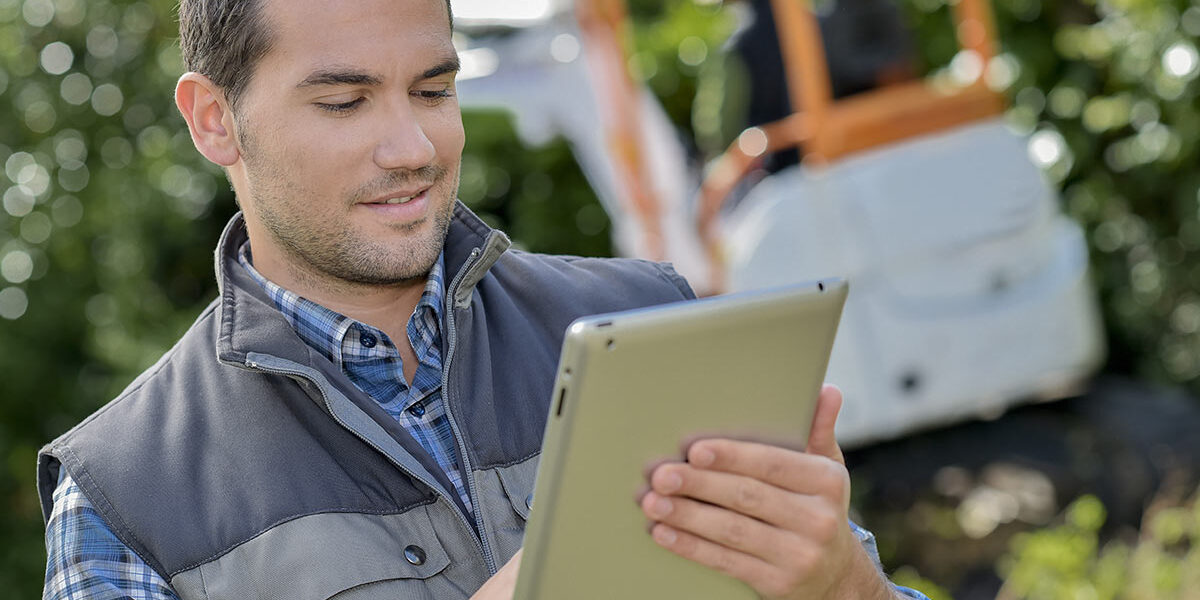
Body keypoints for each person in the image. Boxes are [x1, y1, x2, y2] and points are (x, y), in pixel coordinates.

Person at [37, 1, 929, 598]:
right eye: (345, 103)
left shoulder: (659, 321)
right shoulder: (124, 498)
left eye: (434, 90)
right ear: (214, 121)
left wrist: (849, 586)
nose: (412, 147)